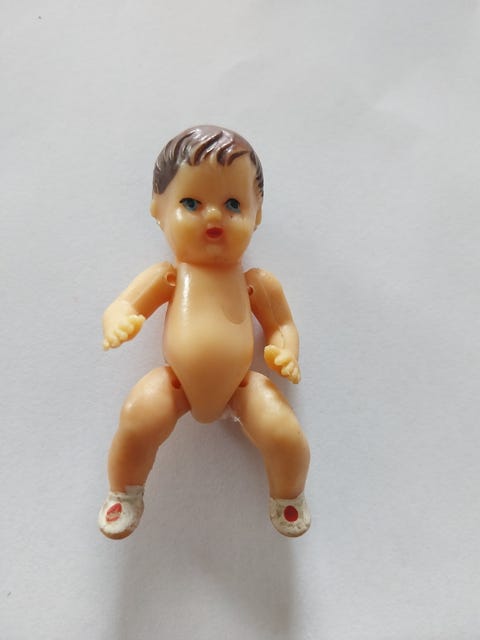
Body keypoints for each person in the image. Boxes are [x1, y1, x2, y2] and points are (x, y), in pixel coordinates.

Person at [98, 125, 311, 539]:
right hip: (175, 382)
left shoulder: (257, 284)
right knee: (139, 418)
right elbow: (123, 305)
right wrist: (119, 322)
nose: (214, 216)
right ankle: (124, 491)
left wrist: (286, 351)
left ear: (257, 214)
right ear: (158, 208)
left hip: (242, 386)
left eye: (233, 204)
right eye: (192, 203)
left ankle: (288, 494)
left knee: (285, 434)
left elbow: (282, 324)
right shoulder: (167, 277)